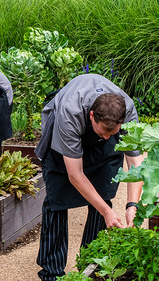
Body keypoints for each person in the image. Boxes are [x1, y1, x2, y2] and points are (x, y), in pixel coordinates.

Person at [34, 74, 145, 280]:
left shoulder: (127, 110)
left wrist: (132, 206)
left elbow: (135, 164)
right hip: (64, 140)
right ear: (92, 115)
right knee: (57, 200)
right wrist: (107, 212)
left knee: (102, 195)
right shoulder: (70, 112)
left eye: (113, 134)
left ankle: (91, 264)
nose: (106, 138)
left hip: (99, 137)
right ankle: (52, 272)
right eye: (103, 132)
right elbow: (75, 174)